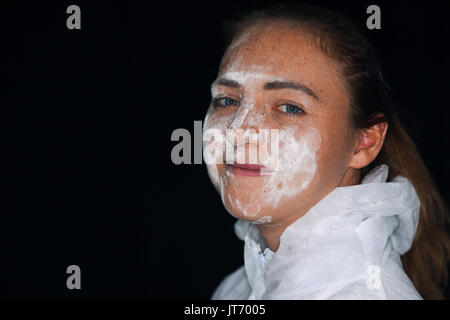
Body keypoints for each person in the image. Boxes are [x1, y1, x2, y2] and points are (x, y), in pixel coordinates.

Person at [202, 4, 450, 299]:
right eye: (227, 100)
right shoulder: (237, 289)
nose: (238, 132)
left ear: (364, 142)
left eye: (290, 107)